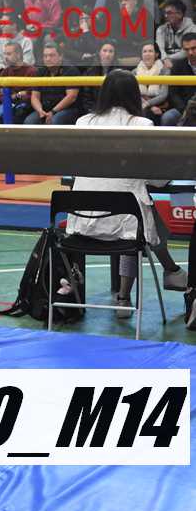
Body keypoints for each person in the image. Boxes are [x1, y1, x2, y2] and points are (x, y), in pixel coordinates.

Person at [66, 70, 187, 318]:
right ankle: (128, 294)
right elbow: (157, 179)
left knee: (139, 213)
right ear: (133, 95)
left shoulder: (83, 122)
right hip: (122, 225)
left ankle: (171, 271)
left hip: (80, 223)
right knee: (135, 221)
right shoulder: (142, 125)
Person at [24, 43, 80, 124]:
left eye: (52, 55)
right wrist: (40, 111)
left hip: (67, 109)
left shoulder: (71, 70)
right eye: (45, 56)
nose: (48, 59)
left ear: (60, 56)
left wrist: (53, 112)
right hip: (45, 109)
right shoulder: (40, 71)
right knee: (29, 121)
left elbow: (71, 97)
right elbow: (35, 96)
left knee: (55, 121)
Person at [160, 32, 196, 125]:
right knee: (168, 118)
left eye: (193, 48)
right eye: (186, 49)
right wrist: (184, 110)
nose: (190, 53)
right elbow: (173, 93)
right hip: (184, 107)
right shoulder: (177, 66)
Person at [132, 42, 168, 124]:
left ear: (156, 54)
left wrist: (148, 104)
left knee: (148, 113)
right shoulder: (134, 72)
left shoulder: (164, 70)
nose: (147, 54)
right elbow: (134, 93)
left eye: (150, 51)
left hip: (160, 106)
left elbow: (163, 95)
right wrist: (149, 106)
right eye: (144, 51)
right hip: (140, 104)